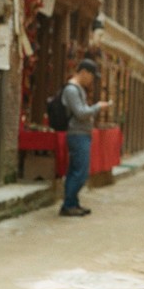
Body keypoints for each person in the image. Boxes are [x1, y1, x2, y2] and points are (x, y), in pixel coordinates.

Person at [59, 58, 111, 217]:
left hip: (82, 134)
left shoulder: (78, 89)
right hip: (77, 135)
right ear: (83, 72)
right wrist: (97, 107)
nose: (92, 80)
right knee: (80, 172)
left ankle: (73, 203)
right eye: (91, 76)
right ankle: (68, 205)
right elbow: (81, 113)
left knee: (76, 171)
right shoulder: (71, 90)